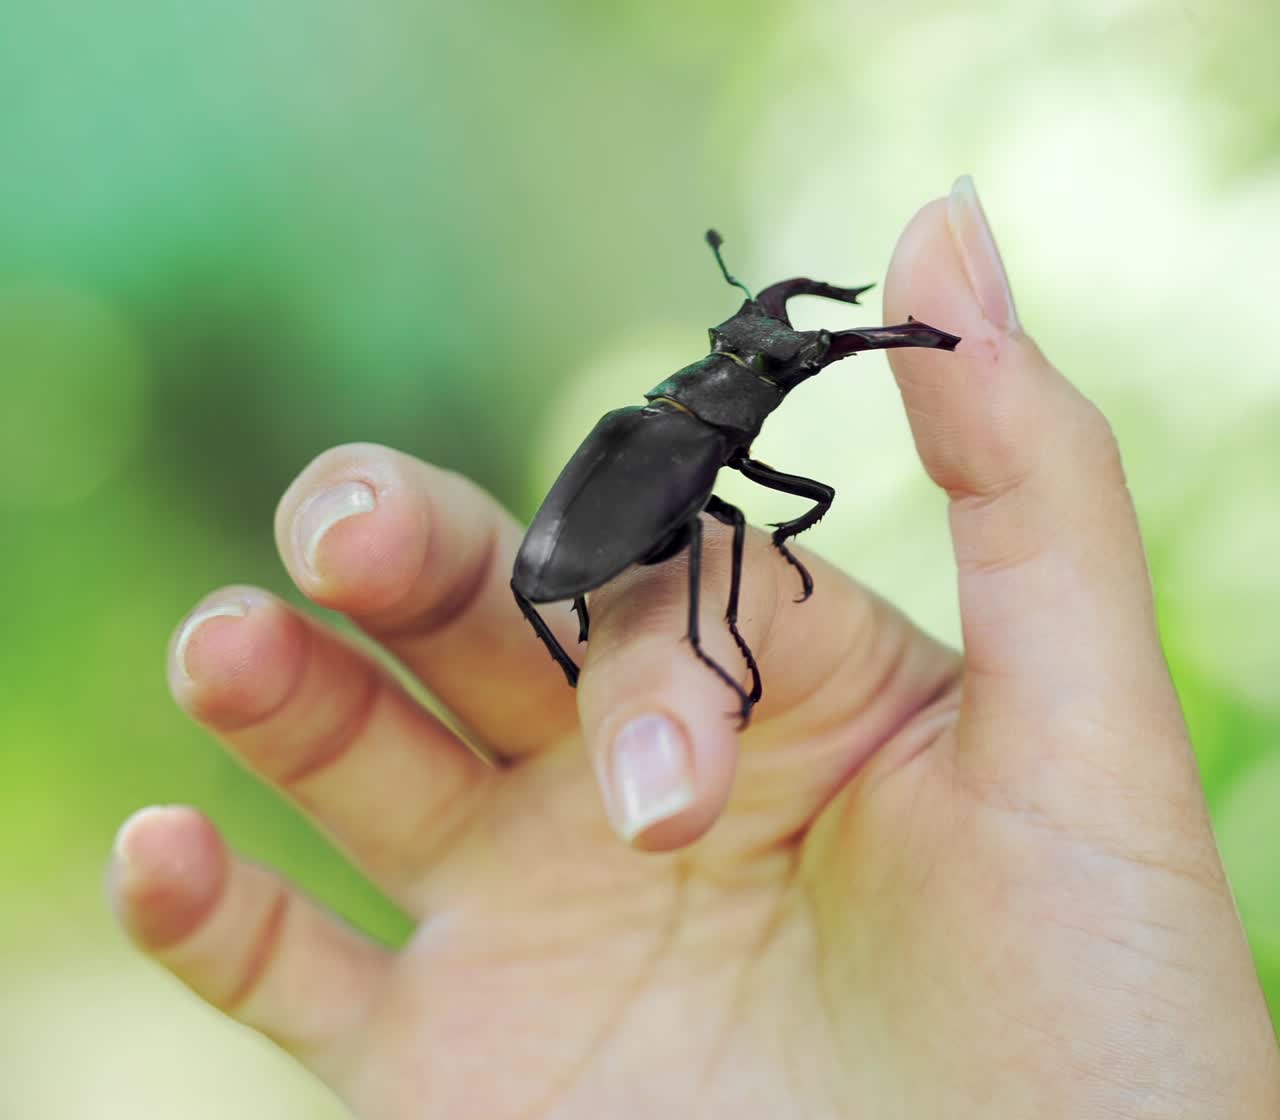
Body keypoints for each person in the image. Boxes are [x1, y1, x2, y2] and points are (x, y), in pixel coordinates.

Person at [108, 182, 1280, 1117]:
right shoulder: (684, 446)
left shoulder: (660, 422)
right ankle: (681, 648)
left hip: (605, 527)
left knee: (717, 542)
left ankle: (662, 653)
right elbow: (703, 538)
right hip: (622, 525)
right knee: (714, 548)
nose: (782, 348)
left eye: (782, 353)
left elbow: (612, 553)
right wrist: (709, 627)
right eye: (764, 352)